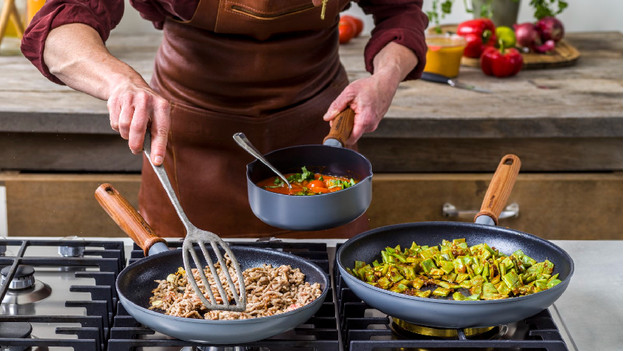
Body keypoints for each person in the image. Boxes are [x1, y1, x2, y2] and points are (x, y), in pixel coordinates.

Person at [21, 0, 429, 239]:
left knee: (325, 297)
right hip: (190, 138)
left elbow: (401, 13)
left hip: (320, 138)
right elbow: (59, 25)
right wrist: (120, 83)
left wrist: (385, 78)